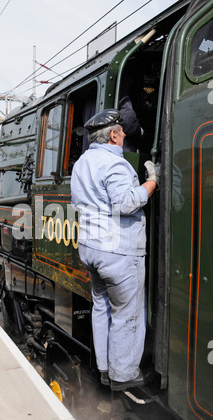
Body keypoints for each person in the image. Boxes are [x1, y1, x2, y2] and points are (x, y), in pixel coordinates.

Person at [70, 108, 160, 391]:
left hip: (91, 250)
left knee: (101, 308)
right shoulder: (116, 164)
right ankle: (123, 375)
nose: (124, 137)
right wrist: (152, 182)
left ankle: (105, 368)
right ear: (113, 135)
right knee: (126, 313)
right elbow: (126, 203)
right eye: (122, 133)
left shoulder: (82, 163)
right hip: (118, 252)